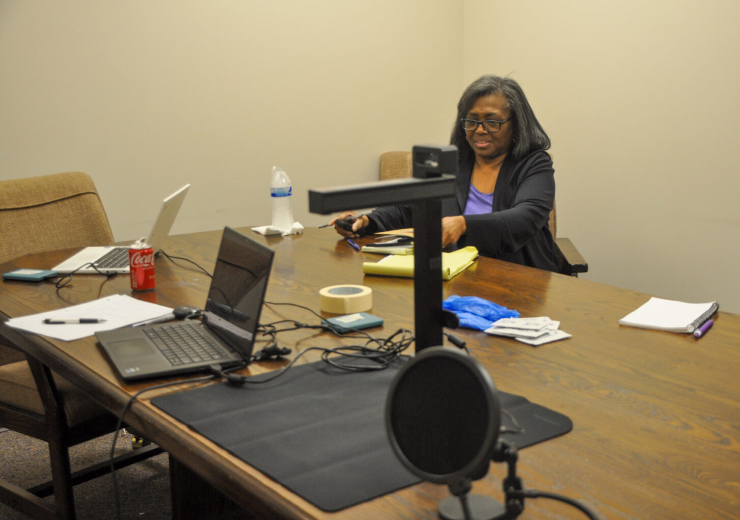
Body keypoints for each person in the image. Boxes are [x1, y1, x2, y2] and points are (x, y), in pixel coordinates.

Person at [331, 74, 563, 273]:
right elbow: (410, 208)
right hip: (454, 277)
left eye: (492, 122)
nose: (480, 130)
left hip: (518, 280)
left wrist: (464, 225)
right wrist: (366, 221)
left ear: (516, 124)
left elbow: (525, 217)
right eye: (472, 121)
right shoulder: (454, 162)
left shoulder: (534, 163)